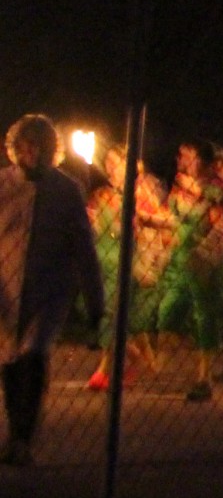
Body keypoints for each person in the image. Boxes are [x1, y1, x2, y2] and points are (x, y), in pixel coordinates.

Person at [0, 115, 103, 465]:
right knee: (9, 360)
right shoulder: (4, 185)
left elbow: (83, 247)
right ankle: (15, 430)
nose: (31, 153)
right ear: (14, 148)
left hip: (48, 289)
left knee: (33, 355)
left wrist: (94, 298)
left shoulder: (65, 190)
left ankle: (24, 437)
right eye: (24, 146)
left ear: (51, 150)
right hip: (6, 286)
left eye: (39, 146)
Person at [154, 140, 223, 401]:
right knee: (167, 311)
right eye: (180, 155)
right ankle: (168, 364)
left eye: (188, 155)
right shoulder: (179, 188)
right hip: (180, 260)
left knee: (205, 316)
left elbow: (219, 217)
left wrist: (195, 189)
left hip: (203, 260)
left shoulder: (215, 188)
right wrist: (150, 219)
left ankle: (204, 377)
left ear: (202, 161)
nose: (181, 160)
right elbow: (170, 217)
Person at [85, 143, 164, 390]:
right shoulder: (103, 194)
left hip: (125, 262)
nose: (109, 167)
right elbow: (95, 224)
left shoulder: (139, 194)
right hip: (102, 260)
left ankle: (103, 370)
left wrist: (149, 260)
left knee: (113, 313)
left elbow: (156, 225)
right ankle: (144, 360)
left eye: (115, 163)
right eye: (107, 163)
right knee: (113, 315)